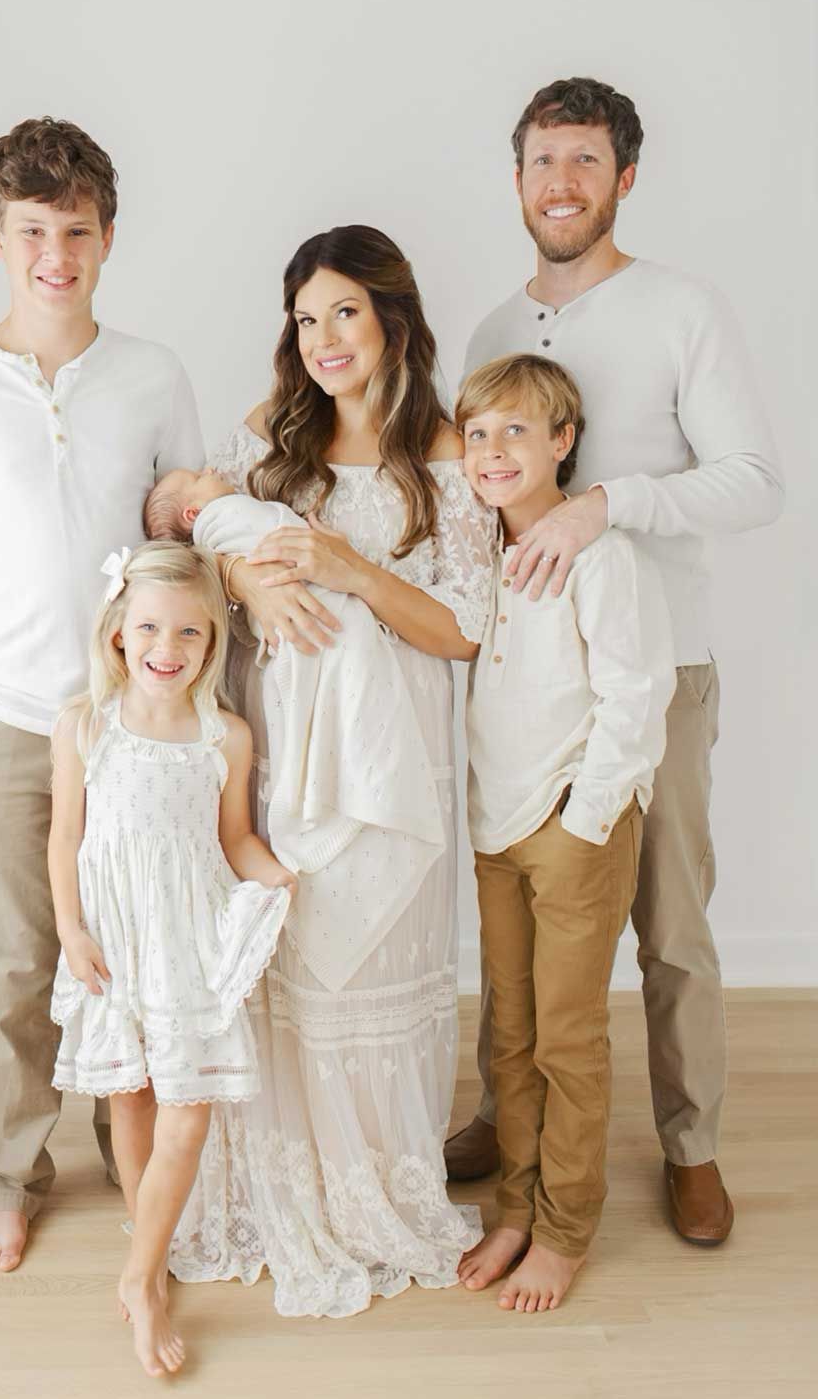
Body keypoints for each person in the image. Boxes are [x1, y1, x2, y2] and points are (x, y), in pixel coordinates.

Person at [444, 77, 784, 1246]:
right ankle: (507, 1111)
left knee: (668, 921)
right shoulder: (493, 332)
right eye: (543, 160)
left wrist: (607, 507)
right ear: (518, 176)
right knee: (520, 916)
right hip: (527, 686)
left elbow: (754, 479)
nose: (561, 183)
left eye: (585, 160)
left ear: (623, 177)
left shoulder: (682, 308)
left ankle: (690, 1143)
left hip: (658, 667)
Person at [0, 117, 204, 1273]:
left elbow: (182, 553)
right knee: (18, 963)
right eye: (32, 231)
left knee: (135, 953)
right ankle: (8, 1171)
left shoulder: (153, 374)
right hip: (1, 722)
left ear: (107, 237)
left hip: (130, 727)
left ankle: (139, 1156)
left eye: (75, 229)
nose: (54, 253)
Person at [166, 225, 495, 1317]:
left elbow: (460, 630)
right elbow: (206, 539)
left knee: (371, 968)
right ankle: (288, 1178)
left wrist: (350, 566)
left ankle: (374, 1186)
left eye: (343, 312)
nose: (322, 339)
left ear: (393, 317)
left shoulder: (446, 453)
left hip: (391, 758)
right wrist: (254, 585)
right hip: (278, 741)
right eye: (305, 318)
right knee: (289, 963)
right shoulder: (271, 438)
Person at [452, 353, 674, 1309]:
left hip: (574, 826)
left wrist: (586, 818)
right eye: (477, 433)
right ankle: (515, 1205)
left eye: (517, 431)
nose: (494, 450)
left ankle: (566, 1224)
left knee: (567, 1037)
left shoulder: (600, 553)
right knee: (510, 1034)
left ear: (563, 442)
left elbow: (637, 692)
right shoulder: (475, 553)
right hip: (496, 825)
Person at [48, 542, 293, 1376]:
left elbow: (235, 839)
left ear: (212, 641)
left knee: (188, 1114)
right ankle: (149, 1259)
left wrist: (280, 878)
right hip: (114, 939)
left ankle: (139, 1276)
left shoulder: (225, 734)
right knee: (133, 1101)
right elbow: (65, 838)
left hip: (186, 938)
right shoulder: (85, 725)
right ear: (118, 629)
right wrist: (71, 929)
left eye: (190, 631)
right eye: (151, 625)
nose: (169, 646)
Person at [143, 466, 446, 992]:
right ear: (196, 515)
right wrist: (237, 568)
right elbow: (196, 571)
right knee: (339, 657)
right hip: (313, 628)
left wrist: (345, 567)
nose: (211, 469)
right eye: (197, 477)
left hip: (344, 618)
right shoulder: (225, 515)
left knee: (345, 665)